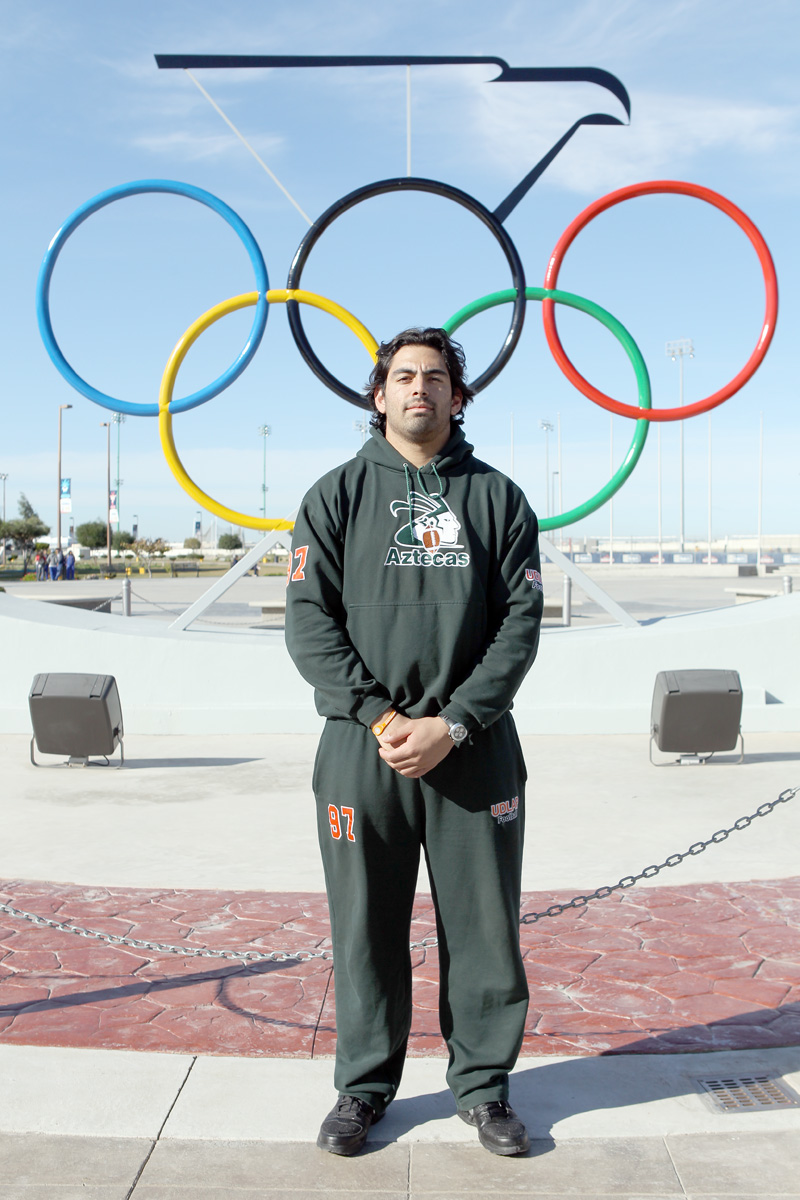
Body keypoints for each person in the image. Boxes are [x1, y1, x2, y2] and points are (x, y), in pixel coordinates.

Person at [285, 328, 544, 1158]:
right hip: (363, 751)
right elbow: (308, 625)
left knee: (484, 927)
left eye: (435, 377)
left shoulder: (498, 498)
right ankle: (362, 1089)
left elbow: (519, 627)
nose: (419, 388)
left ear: (458, 397)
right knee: (364, 927)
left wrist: (454, 721)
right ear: (379, 395)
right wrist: (383, 718)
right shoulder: (334, 496)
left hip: (475, 747)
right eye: (403, 376)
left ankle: (485, 1088)